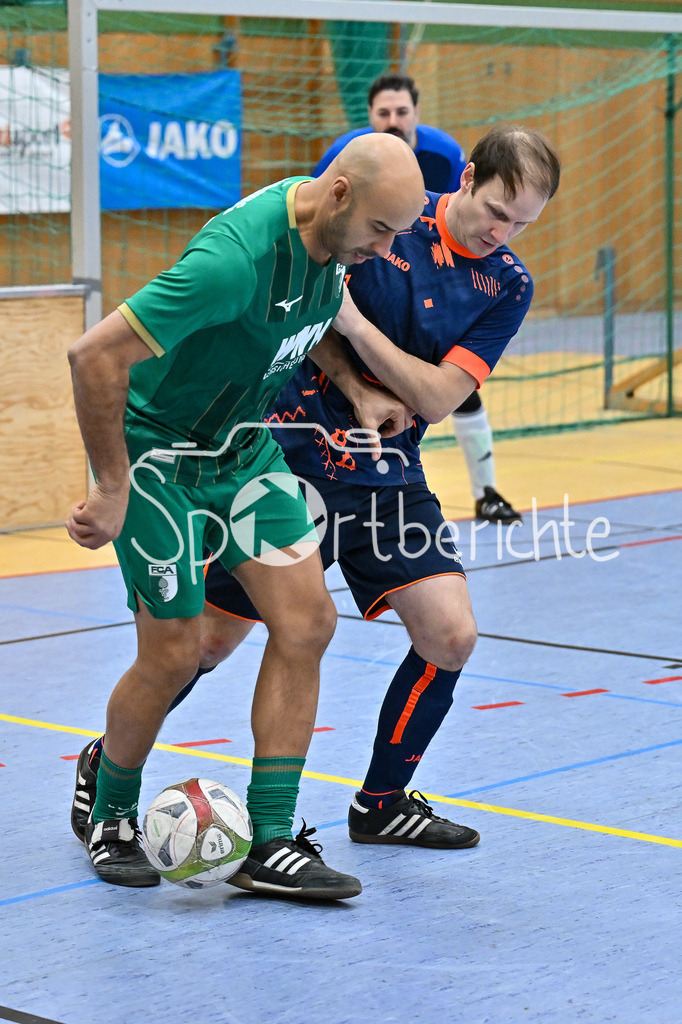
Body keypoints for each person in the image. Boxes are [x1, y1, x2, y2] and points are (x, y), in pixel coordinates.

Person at [96, 123, 559, 854]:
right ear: (468, 178)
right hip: (291, 451)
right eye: (498, 212)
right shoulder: (382, 216)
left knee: (450, 634)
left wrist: (359, 331)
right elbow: (301, 314)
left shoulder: (506, 282)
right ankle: (108, 768)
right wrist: (354, 361)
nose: (503, 233)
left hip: (387, 470)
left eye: (522, 225)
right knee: (202, 645)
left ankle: (378, 805)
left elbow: (437, 398)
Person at [66, 132, 426, 900]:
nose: (386, 249)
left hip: (242, 453)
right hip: (159, 459)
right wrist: (112, 485)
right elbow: (93, 356)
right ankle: (112, 812)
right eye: (380, 230)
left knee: (308, 623)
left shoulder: (333, 240)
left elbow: (300, 324)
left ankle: (270, 840)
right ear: (339, 193)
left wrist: (354, 388)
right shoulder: (231, 263)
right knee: (175, 652)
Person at [315, 73, 522, 524]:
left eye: (401, 112)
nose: (393, 120)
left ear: (416, 114)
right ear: (370, 117)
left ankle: (486, 491)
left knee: (456, 389)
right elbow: (321, 228)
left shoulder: (443, 153)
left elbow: (457, 218)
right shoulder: (347, 153)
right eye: (383, 113)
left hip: (437, 284)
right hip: (374, 276)